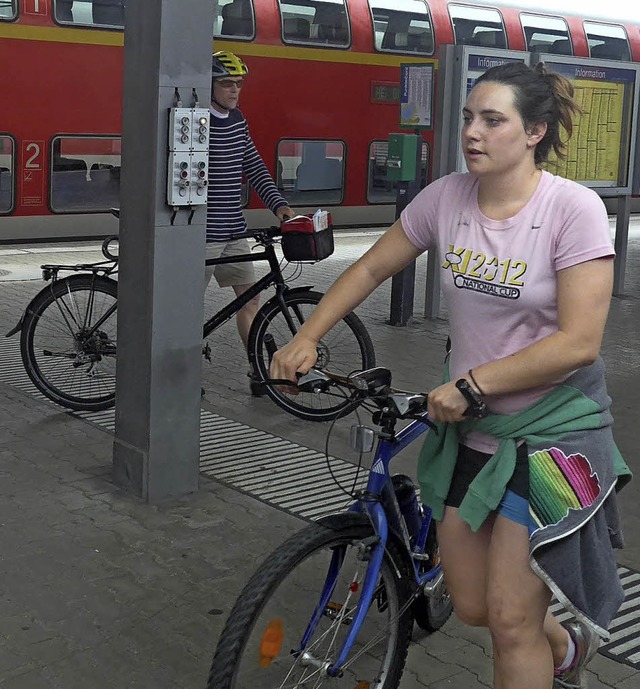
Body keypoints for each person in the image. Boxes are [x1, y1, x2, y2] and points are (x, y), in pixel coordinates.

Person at [270, 62, 631, 689]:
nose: (473, 132)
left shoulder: (571, 209)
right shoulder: (447, 198)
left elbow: (579, 342)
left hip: (554, 439)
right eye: (469, 117)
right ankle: (566, 649)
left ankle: (545, 648)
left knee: (512, 620)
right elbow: (368, 270)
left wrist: (471, 384)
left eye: (493, 120)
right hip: (471, 430)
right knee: (471, 606)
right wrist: (307, 334)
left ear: (535, 131)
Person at [206, 50, 293, 395]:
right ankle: (173, 378)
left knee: (251, 300)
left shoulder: (237, 120)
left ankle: (256, 368)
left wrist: (280, 207)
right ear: (209, 85)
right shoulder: (197, 120)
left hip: (232, 230)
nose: (234, 90)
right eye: (227, 83)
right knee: (181, 307)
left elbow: (254, 166)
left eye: (238, 84)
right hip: (200, 233)